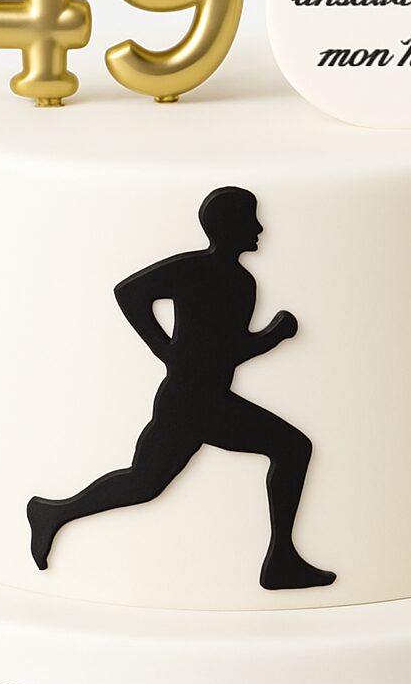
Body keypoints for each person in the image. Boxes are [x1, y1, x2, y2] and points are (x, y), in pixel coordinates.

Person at [27, 186, 336, 590]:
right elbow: (129, 293)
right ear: (229, 227)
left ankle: (53, 513)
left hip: (203, 399)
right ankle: (280, 562)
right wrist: (165, 348)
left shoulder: (241, 283)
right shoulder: (199, 271)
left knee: (145, 482)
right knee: (288, 449)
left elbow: (224, 352)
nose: (260, 228)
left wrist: (267, 338)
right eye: (251, 220)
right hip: (192, 402)